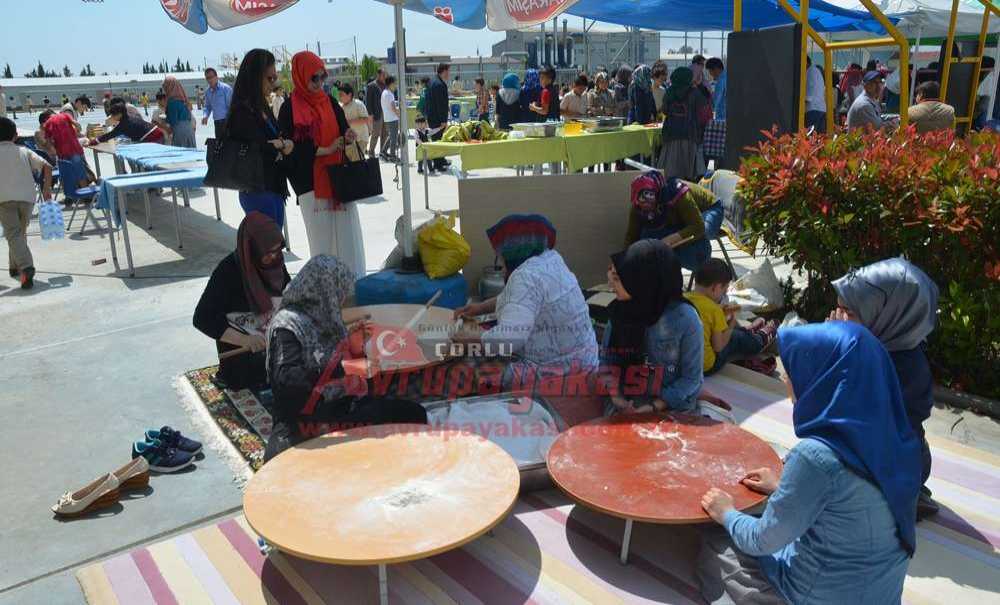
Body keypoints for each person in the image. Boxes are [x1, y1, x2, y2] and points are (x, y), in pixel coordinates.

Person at [698, 321, 920, 605]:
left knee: (717, 543)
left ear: (823, 378)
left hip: (818, 596)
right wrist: (781, 487)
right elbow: (851, 503)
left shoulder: (816, 457)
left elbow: (762, 540)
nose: (784, 380)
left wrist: (726, 513)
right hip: (881, 596)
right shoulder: (898, 437)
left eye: (790, 372)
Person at [264, 255, 428, 460]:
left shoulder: (325, 318)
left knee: (413, 414)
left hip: (339, 407)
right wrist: (347, 366)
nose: (341, 301)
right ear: (323, 292)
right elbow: (287, 380)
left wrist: (353, 346)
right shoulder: (286, 325)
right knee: (285, 463)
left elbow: (339, 365)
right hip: (303, 418)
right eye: (338, 294)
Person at [831, 258, 940, 519]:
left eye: (850, 313)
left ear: (888, 313)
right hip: (889, 458)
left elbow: (840, 418)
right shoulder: (877, 345)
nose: (841, 318)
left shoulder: (903, 368)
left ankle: (900, 500)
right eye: (840, 309)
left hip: (893, 466)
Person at [452, 214, 599, 390]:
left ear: (513, 251)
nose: (499, 258)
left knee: (463, 369)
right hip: (585, 359)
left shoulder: (525, 276)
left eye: (501, 253)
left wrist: (474, 339)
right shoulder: (550, 259)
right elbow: (523, 300)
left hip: (559, 372)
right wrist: (479, 308)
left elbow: (511, 339)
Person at [278, 51, 364, 276]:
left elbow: (342, 125)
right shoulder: (289, 108)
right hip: (310, 185)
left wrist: (348, 134)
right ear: (300, 76)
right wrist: (325, 149)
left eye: (322, 76)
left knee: (346, 238)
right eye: (313, 78)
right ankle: (325, 291)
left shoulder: (329, 102)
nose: (319, 83)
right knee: (321, 243)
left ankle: (350, 286)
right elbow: (291, 148)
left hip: (338, 179)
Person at [602, 239, 704, 413]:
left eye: (619, 280)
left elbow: (691, 379)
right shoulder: (620, 311)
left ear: (643, 282)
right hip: (627, 402)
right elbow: (607, 363)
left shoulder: (684, 319)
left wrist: (654, 406)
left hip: (671, 405)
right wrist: (617, 398)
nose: (612, 285)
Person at [194, 212, 290, 391]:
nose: (274, 258)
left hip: (275, 346)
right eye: (268, 254)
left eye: (278, 250)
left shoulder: (276, 262)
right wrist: (245, 340)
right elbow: (202, 318)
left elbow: (290, 300)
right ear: (252, 249)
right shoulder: (228, 271)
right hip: (243, 356)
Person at [226, 48, 292, 228]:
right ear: (255, 77)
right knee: (267, 251)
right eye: (269, 78)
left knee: (273, 248)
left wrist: (282, 142)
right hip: (258, 189)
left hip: (272, 186)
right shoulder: (242, 110)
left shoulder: (259, 105)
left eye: (275, 78)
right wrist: (279, 145)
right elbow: (253, 147)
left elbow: (273, 136)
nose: (273, 83)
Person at [686, 259, 775, 375]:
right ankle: (759, 340)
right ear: (715, 288)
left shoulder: (683, 298)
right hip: (705, 367)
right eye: (724, 290)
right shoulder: (713, 309)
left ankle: (748, 333)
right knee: (733, 337)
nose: (724, 295)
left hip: (684, 363)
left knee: (731, 332)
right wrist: (732, 324)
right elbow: (718, 347)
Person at [625, 170, 722, 272]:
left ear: (659, 196)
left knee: (699, 242)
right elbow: (632, 235)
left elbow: (698, 227)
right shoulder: (638, 206)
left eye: (650, 205)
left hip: (709, 209)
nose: (645, 208)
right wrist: (625, 262)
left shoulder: (678, 193)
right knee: (645, 240)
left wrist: (667, 242)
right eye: (642, 205)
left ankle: (701, 267)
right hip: (679, 219)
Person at [0, 117, 52, 290]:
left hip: (4, 199)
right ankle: (14, 267)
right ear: (15, 136)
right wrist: (46, 190)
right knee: (19, 233)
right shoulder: (24, 150)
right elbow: (47, 166)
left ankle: (26, 267)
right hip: (27, 198)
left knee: (13, 234)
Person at [658, 67, 711, 180]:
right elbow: (705, 109)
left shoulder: (669, 92)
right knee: (687, 173)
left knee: (670, 170)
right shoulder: (695, 92)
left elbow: (665, 110)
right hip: (689, 134)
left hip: (671, 134)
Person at [90, 101, 165, 144]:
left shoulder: (124, 124)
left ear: (120, 114)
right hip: (156, 132)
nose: (112, 117)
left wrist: (95, 141)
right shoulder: (128, 118)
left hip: (153, 136)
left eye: (113, 115)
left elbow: (110, 135)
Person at [426, 63, 451, 172]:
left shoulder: (432, 82)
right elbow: (441, 104)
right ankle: (438, 164)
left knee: (438, 139)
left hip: (432, 116)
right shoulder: (440, 84)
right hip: (438, 118)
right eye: (448, 71)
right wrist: (443, 120)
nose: (449, 74)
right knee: (438, 140)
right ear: (444, 71)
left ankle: (441, 159)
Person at [162, 76, 196, 147]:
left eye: (165, 86)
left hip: (180, 132)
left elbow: (173, 121)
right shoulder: (183, 100)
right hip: (189, 130)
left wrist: (163, 122)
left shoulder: (172, 102)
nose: (164, 89)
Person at [337, 83, 370, 154]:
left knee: (357, 161)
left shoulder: (358, 104)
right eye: (339, 95)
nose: (339, 97)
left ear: (349, 94)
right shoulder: (341, 106)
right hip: (349, 141)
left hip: (361, 139)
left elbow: (366, 119)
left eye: (341, 95)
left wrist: (349, 122)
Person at [202, 67, 234, 138]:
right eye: (207, 78)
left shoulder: (226, 89)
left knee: (229, 145)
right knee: (219, 145)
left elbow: (231, 106)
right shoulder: (208, 92)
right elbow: (207, 106)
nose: (209, 80)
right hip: (217, 123)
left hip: (227, 122)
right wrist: (205, 116)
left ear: (216, 77)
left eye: (211, 77)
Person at [364, 68, 387, 159]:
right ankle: (371, 152)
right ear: (378, 75)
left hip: (385, 113)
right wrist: (370, 114)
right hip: (376, 114)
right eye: (383, 75)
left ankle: (383, 151)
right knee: (375, 134)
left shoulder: (385, 85)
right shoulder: (371, 86)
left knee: (385, 133)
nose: (384, 77)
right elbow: (368, 101)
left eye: (385, 75)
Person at [380, 76, 401, 163]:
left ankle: (383, 152)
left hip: (387, 118)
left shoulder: (384, 93)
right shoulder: (390, 94)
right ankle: (392, 156)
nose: (395, 85)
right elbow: (393, 107)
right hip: (392, 118)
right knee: (394, 138)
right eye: (395, 83)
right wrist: (399, 115)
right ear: (391, 84)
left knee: (391, 136)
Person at [805, 57, 828, 133]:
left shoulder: (808, 72)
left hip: (812, 109)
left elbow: (807, 95)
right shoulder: (816, 71)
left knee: (810, 139)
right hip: (821, 109)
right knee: (820, 138)